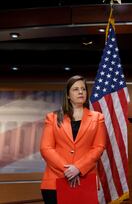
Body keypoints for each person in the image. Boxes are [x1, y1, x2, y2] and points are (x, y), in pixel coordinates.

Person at [40, 75, 106, 204]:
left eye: (83, 89)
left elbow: (99, 147)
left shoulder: (98, 118)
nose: (81, 92)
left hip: (85, 179)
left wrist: (78, 168)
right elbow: (46, 148)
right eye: (76, 89)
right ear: (68, 95)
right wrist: (67, 170)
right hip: (55, 180)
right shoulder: (52, 117)